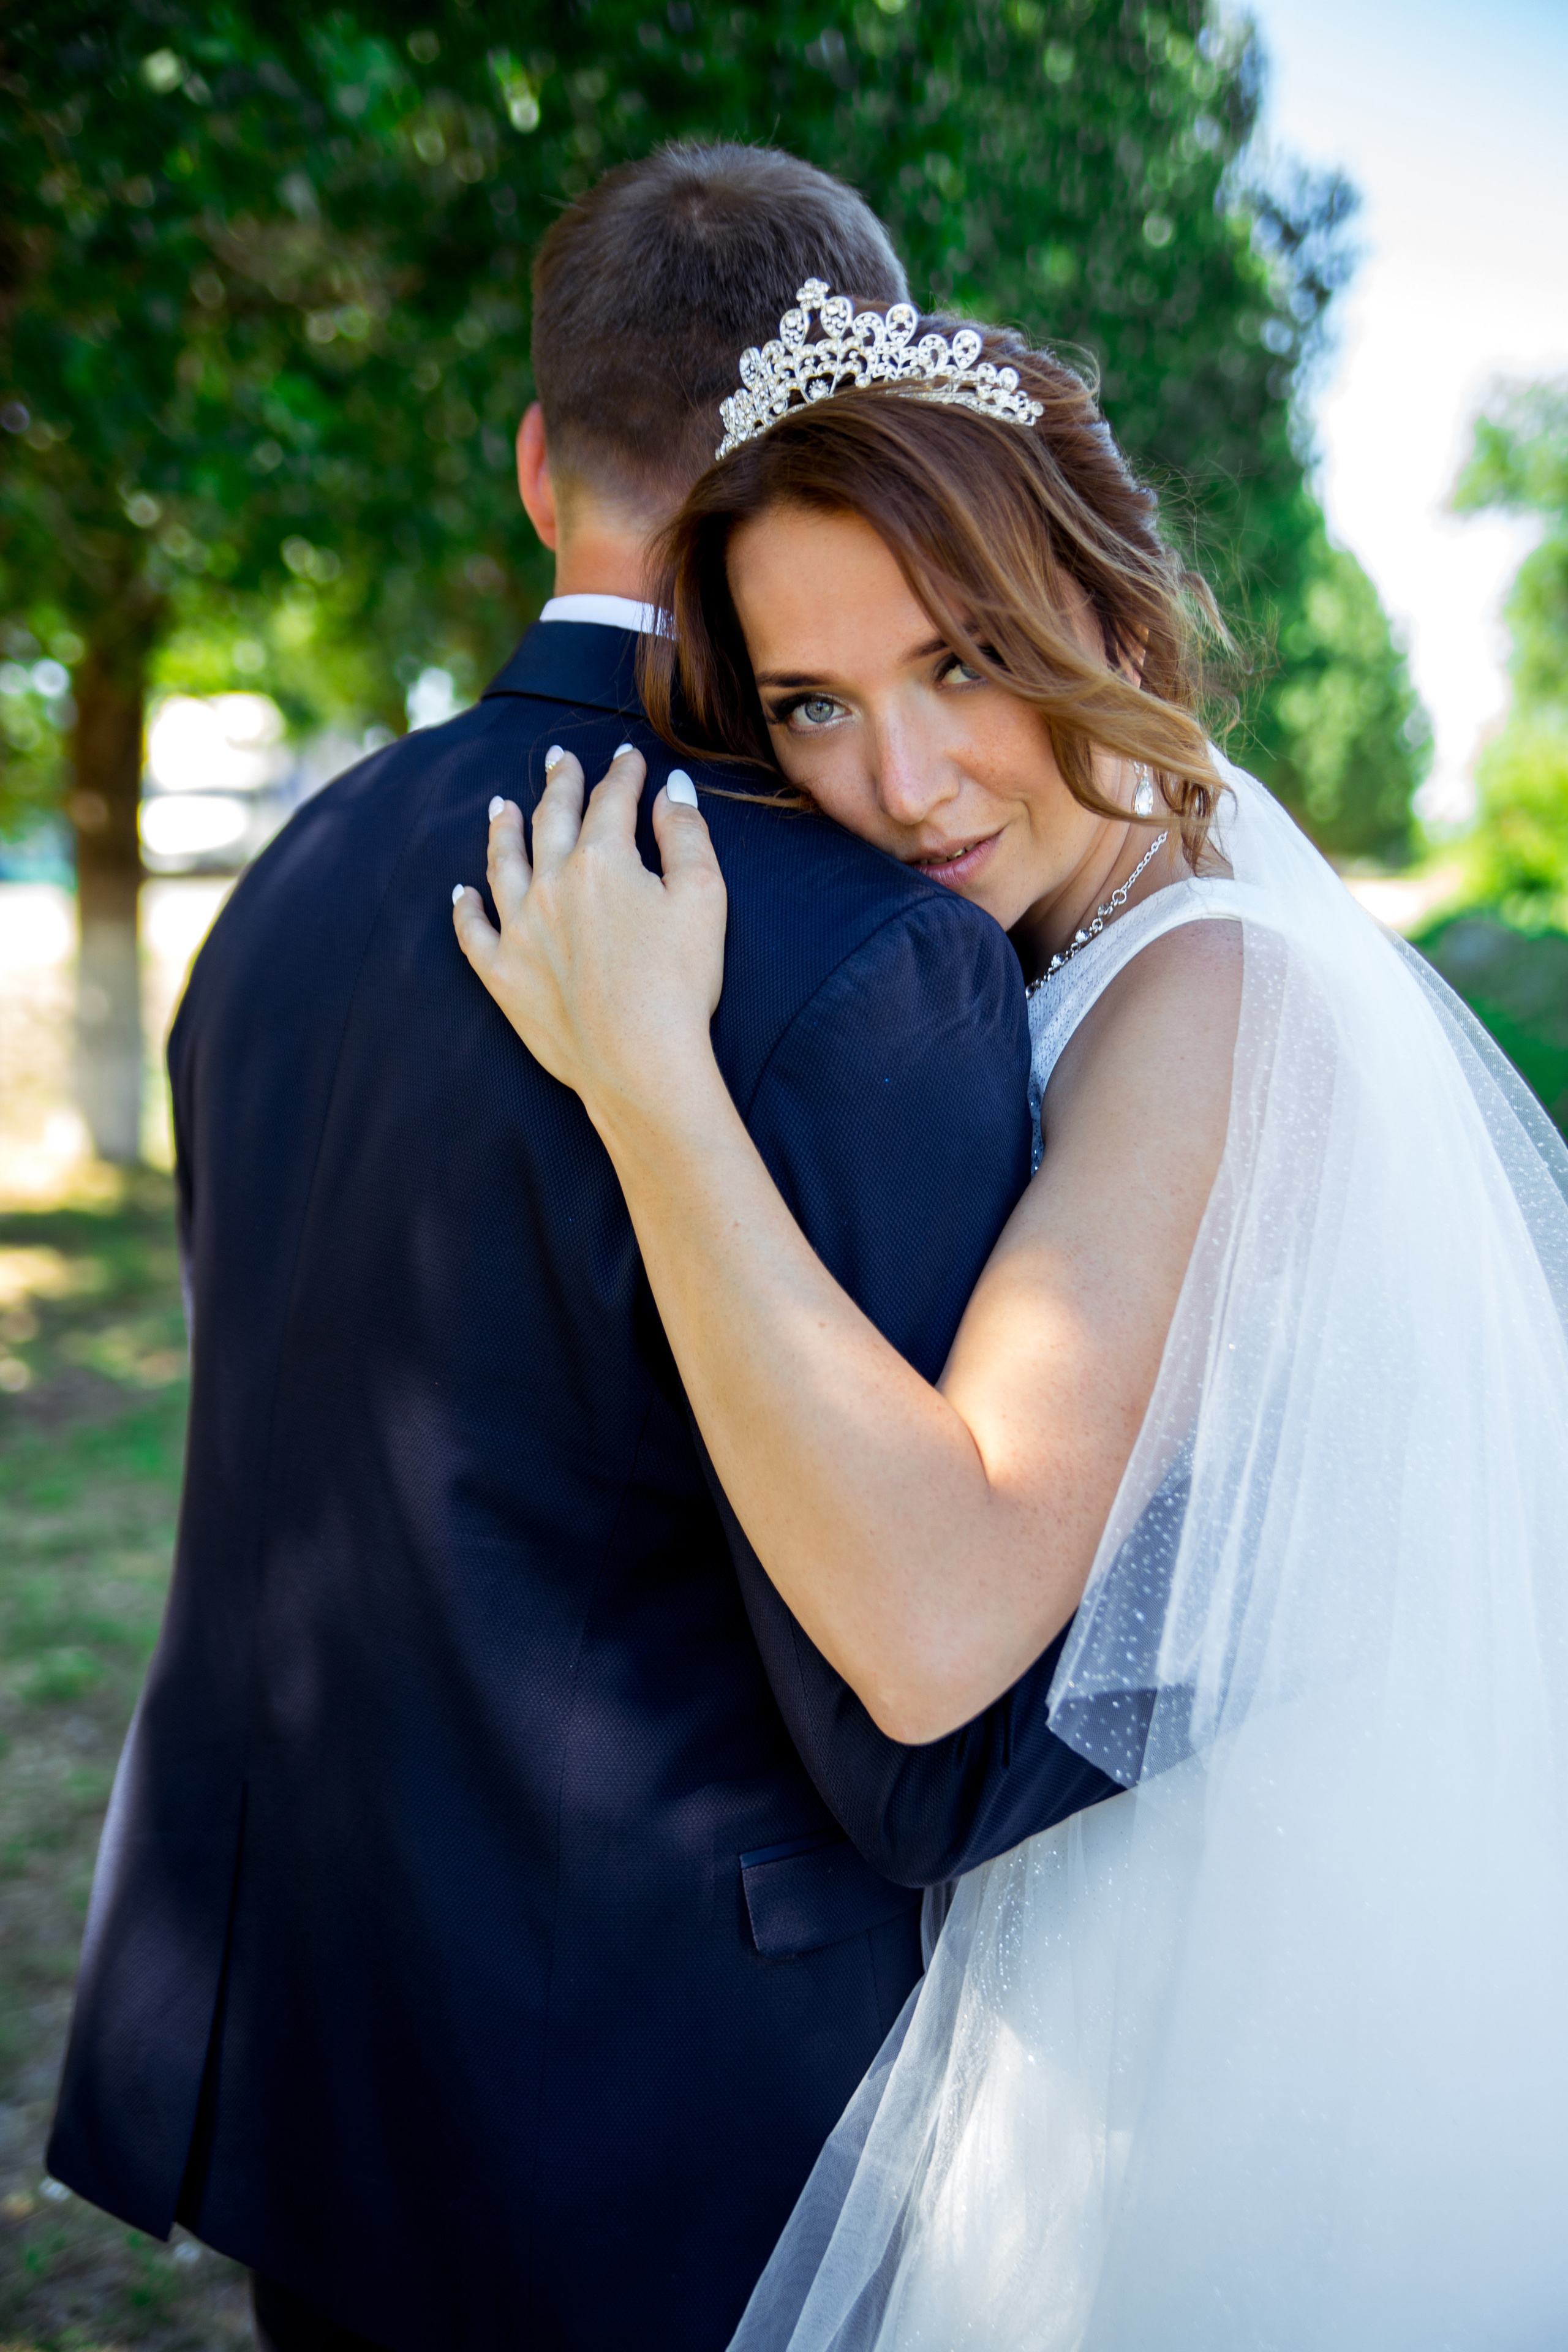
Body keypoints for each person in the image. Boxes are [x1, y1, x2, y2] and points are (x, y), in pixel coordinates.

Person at [45, 154, 1119, 2352]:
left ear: (544, 465)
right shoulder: (880, 939)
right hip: (692, 2125)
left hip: (321, 2064)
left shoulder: (288, 884)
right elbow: (923, 1711)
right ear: (839, 453)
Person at [453, 283, 1568, 2346]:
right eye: (807, 703)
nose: (903, 778)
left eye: (962, 661)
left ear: (1113, 617)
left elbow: (942, 1620)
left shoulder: (1207, 991)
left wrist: (652, 1084)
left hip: (1240, 2027)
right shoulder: (1117, 928)